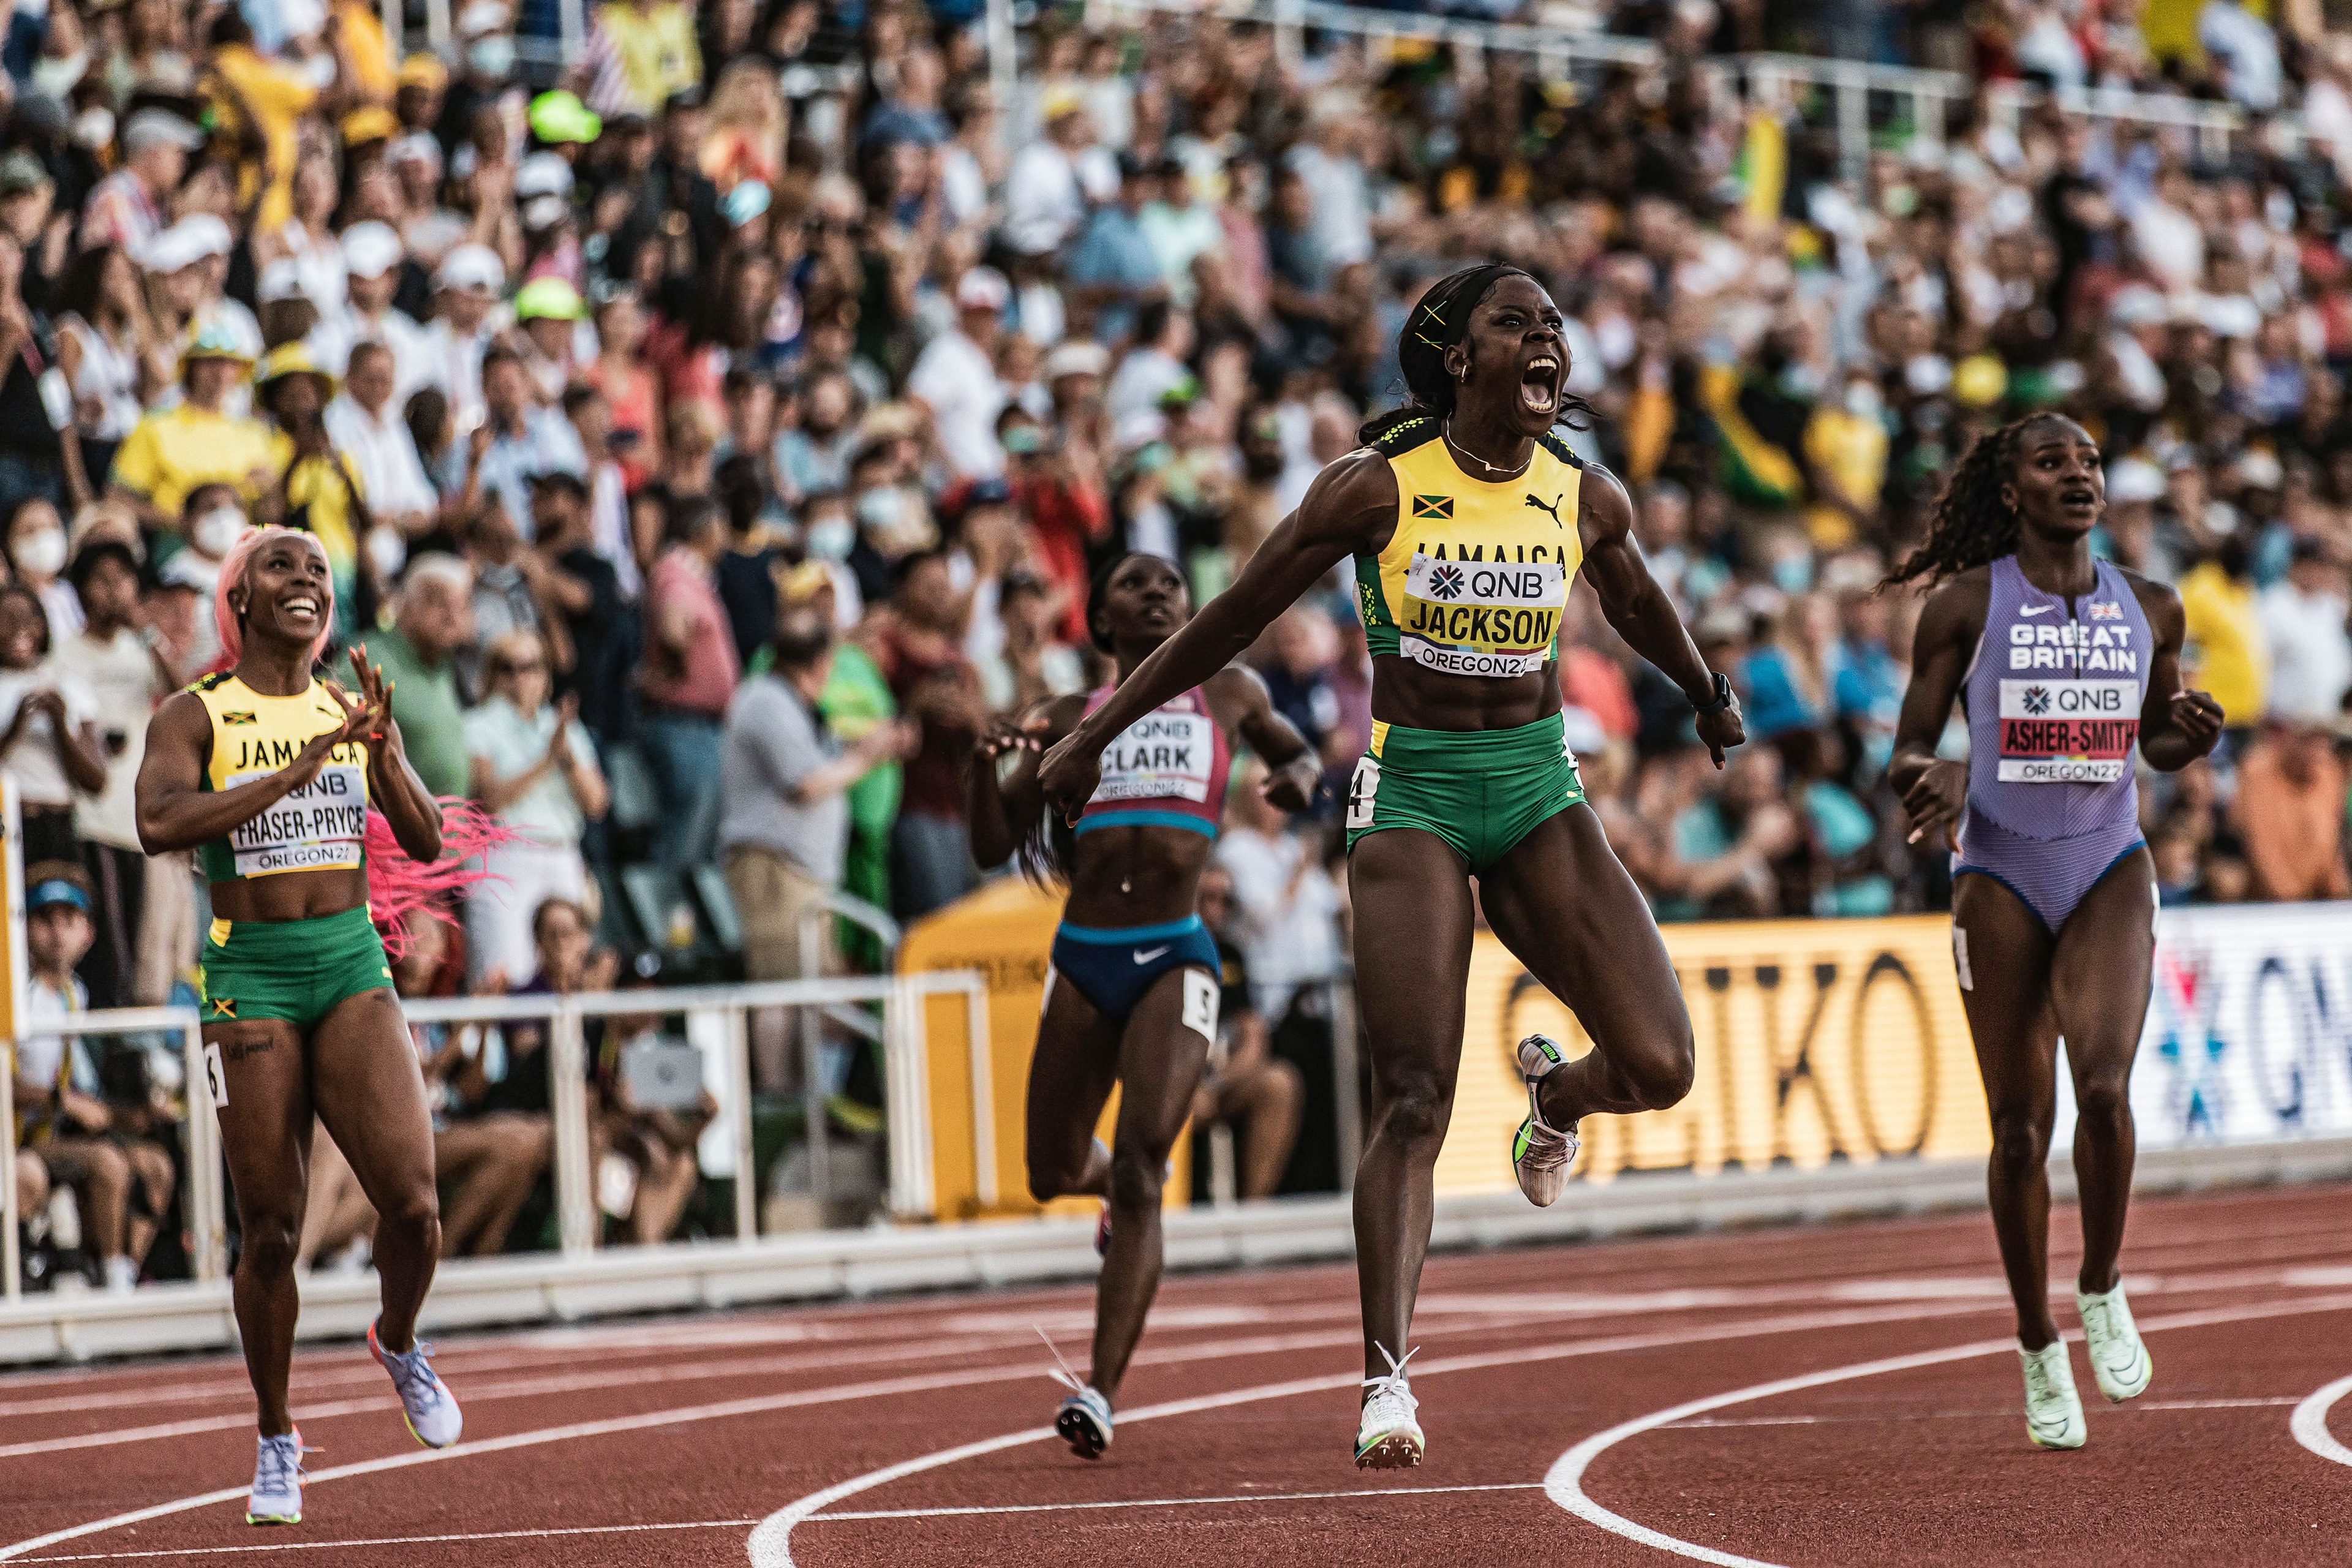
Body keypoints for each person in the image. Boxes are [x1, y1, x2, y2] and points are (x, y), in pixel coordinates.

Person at [1036, 266, 1741, 1468]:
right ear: (1457, 358)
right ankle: (1387, 1378)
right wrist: (1095, 730)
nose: (1547, 340)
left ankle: (1558, 1100)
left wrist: (1707, 691)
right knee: (1413, 1093)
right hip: (1411, 792)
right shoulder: (1376, 487)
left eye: (1556, 326)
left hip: (1536, 791)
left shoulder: (1581, 492)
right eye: (1516, 321)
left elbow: (1637, 604)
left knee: (1663, 1063)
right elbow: (1230, 620)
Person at [1887, 412, 2224, 1452]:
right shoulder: (1964, 604)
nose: (2077, 476)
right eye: (2051, 464)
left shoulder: (2151, 606)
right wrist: (1935, 775)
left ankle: (2102, 1282)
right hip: (1998, 869)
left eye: (2087, 462)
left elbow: (2157, 740)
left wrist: (2189, 731)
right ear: (2013, 492)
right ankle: (2038, 1344)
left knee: (2110, 1089)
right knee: (2020, 1129)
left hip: (2106, 860)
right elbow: (1906, 749)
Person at [133, 527, 460, 1524]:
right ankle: (277, 1437)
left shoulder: (348, 705)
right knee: (270, 1230)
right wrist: (287, 774)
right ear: (239, 599)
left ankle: (397, 1341)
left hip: (351, 963)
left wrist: (382, 753)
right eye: (282, 567)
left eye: (318, 570)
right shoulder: (197, 712)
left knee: (413, 1207)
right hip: (250, 976)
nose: (305, 581)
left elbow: (424, 835)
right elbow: (158, 825)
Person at [975, 550, 1319, 1460]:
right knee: (1050, 1170)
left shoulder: (1231, 695)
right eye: (1134, 583)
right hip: (1085, 959)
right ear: (1100, 623)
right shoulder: (1061, 715)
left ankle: (1101, 1390)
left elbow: (1300, 756)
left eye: (1171, 580)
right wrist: (986, 764)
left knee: (1142, 1168)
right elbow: (985, 841)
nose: (1159, 590)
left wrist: (1301, 780)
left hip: (1177, 954)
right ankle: (1101, 1198)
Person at [719, 608, 909, 982]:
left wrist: (864, 746)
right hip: (776, 871)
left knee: (809, 996)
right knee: (783, 994)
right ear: (823, 663)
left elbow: (819, 760)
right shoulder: (767, 701)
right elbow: (805, 783)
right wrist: (868, 755)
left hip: (799, 875)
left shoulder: (786, 702)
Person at [12, 864, 176, 1291]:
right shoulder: (15, 997)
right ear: (24, 927)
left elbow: (89, 1097)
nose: (58, 933)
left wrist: (131, 1115)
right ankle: (110, 1276)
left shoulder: (79, 994)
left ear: (88, 933)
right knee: (107, 1163)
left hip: (60, 1132)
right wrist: (59, 1101)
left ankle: (126, 1271)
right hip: (23, 1138)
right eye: (45, 920)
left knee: (156, 1165)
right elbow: (29, 1090)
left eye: (69, 921)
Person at [56, 539, 175, 1008]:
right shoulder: (63, 654)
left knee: (141, 948)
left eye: (123, 580)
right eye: (102, 580)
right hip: (90, 819)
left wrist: (148, 633)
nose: (114, 591)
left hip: (136, 820)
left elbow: (181, 692)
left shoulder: (141, 651)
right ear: (82, 589)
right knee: (107, 949)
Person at [464, 630, 608, 987]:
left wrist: (567, 757)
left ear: (545, 674)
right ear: (493, 675)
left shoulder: (562, 727)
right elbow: (489, 799)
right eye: (507, 668)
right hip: (505, 856)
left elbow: (597, 804)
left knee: (570, 979)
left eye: (529, 667)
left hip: (561, 854)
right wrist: (548, 759)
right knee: (507, 976)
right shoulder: (479, 723)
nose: (519, 678)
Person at [639, 495, 739, 865]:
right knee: (688, 832)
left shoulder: (692, 574)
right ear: (707, 530)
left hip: (699, 726)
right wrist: (676, 669)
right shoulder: (675, 570)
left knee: (702, 831)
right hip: (684, 723)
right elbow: (673, 628)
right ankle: (668, 915)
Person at [0, 582, 109, 865]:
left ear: (42, 625)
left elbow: (96, 780)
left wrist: (60, 725)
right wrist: (15, 727)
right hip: (8, 819)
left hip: (58, 824)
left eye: (28, 618)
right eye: (6, 618)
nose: (18, 627)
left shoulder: (69, 686)